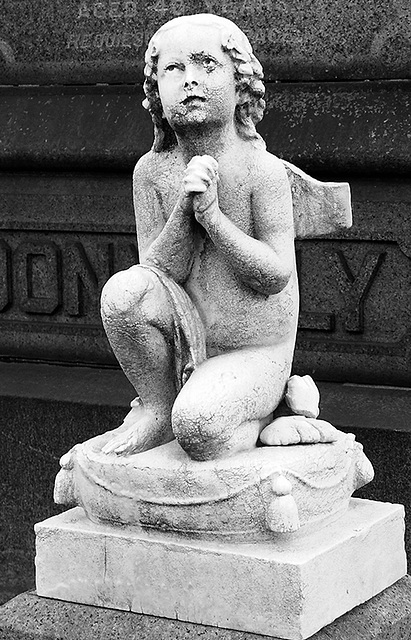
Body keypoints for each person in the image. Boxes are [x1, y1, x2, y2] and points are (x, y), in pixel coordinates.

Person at [100, 14, 337, 461]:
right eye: (173, 69)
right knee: (123, 293)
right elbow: (157, 275)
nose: (189, 81)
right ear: (156, 95)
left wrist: (213, 218)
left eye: (206, 64)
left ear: (240, 84)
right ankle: (156, 405)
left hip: (255, 351)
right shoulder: (151, 172)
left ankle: (268, 415)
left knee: (197, 427)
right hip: (187, 336)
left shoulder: (259, 171)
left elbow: (274, 275)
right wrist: (184, 212)